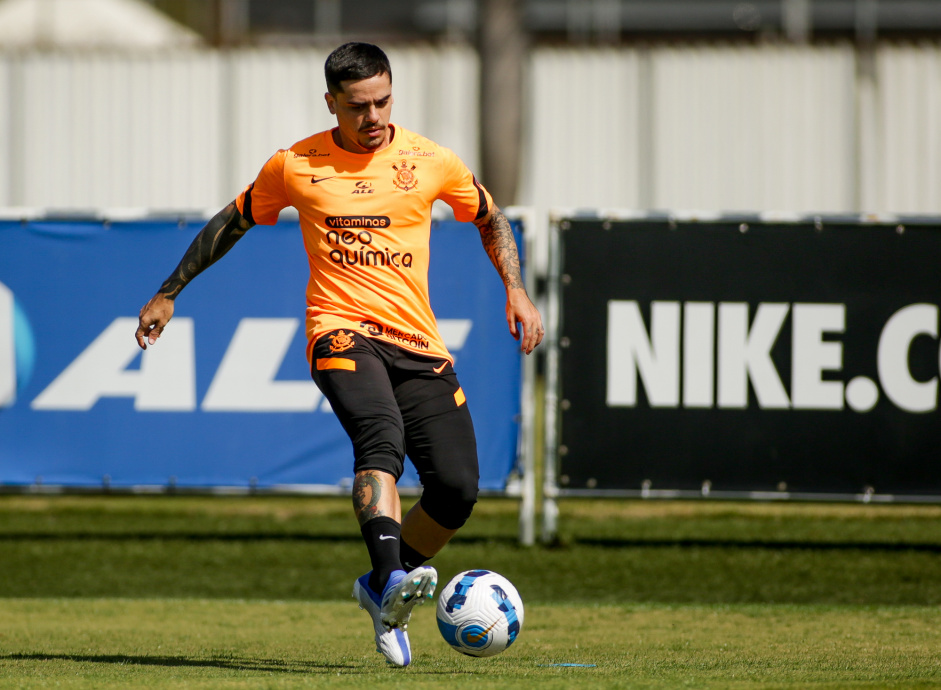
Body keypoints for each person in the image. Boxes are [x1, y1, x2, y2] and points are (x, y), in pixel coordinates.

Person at [134, 42, 543, 667]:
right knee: (380, 440)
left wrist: (515, 289)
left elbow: (490, 218)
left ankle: (387, 585)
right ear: (332, 103)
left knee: (457, 489)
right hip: (340, 333)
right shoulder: (296, 164)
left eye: (383, 101)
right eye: (359, 106)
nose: (374, 115)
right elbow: (231, 221)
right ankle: (387, 576)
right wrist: (168, 291)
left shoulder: (428, 160)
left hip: (419, 343)